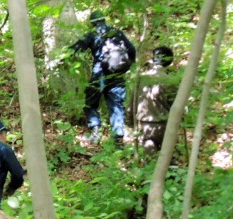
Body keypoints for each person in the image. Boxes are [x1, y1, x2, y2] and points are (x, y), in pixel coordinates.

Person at [70, 10, 136, 145]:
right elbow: (132, 49)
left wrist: (61, 57)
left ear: (92, 23)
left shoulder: (92, 34)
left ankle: (96, 132)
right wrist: (127, 66)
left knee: (90, 103)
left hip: (99, 75)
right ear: (104, 20)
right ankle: (118, 138)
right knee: (116, 105)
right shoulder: (117, 32)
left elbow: (76, 48)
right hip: (117, 75)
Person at [133, 45, 176, 154]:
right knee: (167, 153)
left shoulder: (141, 78)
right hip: (164, 122)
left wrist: (129, 120)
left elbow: (132, 101)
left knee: (148, 145)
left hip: (145, 122)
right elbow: (175, 104)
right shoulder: (170, 80)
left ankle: (151, 166)